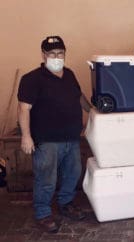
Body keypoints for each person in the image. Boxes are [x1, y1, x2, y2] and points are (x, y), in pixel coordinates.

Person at [17, 36, 92, 233]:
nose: (56, 57)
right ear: (43, 55)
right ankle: (43, 213)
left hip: (71, 137)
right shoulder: (32, 79)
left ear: (65, 54)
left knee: (73, 173)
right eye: (52, 54)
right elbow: (23, 109)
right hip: (46, 140)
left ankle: (66, 203)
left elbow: (79, 96)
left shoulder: (69, 75)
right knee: (46, 178)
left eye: (60, 53)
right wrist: (26, 136)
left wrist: (92, 110)